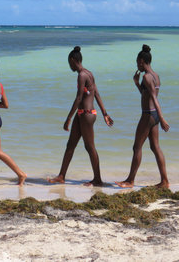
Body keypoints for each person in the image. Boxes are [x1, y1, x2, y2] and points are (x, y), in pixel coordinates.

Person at [49, 46, 113, 186]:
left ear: (73, 60)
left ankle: (98, 179)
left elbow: (78, 98)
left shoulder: (82, 75)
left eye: (69, 63)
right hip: (83, 114)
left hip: (86, 114)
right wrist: (105, 114)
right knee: (70, 145)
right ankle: (61, 176)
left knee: (90, 147)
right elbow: (96, 94)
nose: (69, 66)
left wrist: (68, 118)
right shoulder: (89, 73)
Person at [116, 45, 170, 188]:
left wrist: (162, 118)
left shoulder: (146, 77)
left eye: (137, 62)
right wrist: (136, 83)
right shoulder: (156, 76)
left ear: (141, 61)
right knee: (155, 147)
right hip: (153, 116)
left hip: (148, 115)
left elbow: (153, 98)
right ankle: (164, 181)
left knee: (137, 147)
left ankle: (130, 181)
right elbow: (147, 95)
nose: (136, 65)